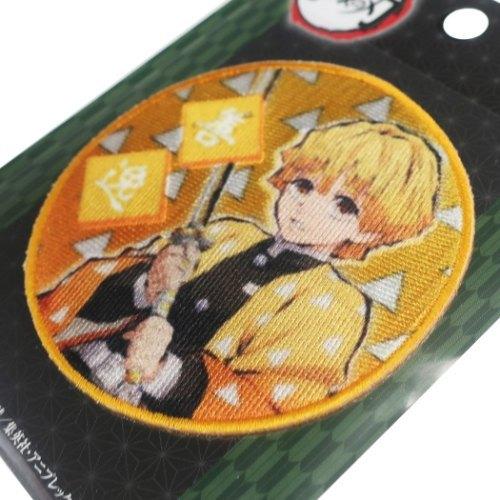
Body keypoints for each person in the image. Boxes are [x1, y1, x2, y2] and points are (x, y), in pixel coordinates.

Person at [39, 120, 441, 421]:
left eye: (344, 205)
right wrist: (146, 285)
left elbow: (275, 402)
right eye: (303, 185)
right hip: (79, 364)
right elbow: (89, 292)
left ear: (372, 230)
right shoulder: (226, 232)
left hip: (148, 422)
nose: (307, 206)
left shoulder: (335, 305)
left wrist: (166, 370)